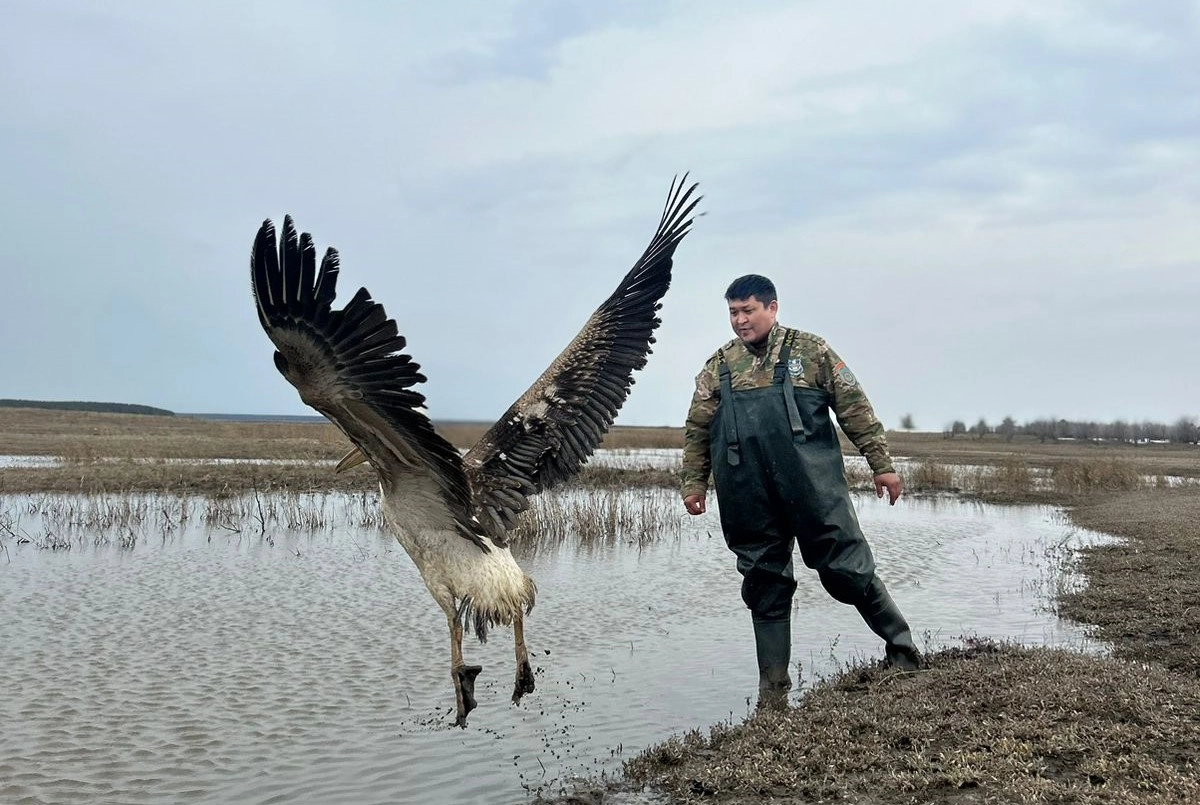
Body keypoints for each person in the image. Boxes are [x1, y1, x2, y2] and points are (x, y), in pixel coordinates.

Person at [681, 274, 921, 704]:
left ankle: (903, 651)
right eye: (733, 312)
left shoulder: (811, 352)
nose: (739, 321)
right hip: (746, 494)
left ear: (772, 308)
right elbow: (698, 429)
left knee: (846, 568)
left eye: (747, 310)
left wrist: (881, 465)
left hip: (812, 486)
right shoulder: (718, 366)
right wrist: (693, 483)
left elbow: (855, 408)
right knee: (763, 581)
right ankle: (772, 692)